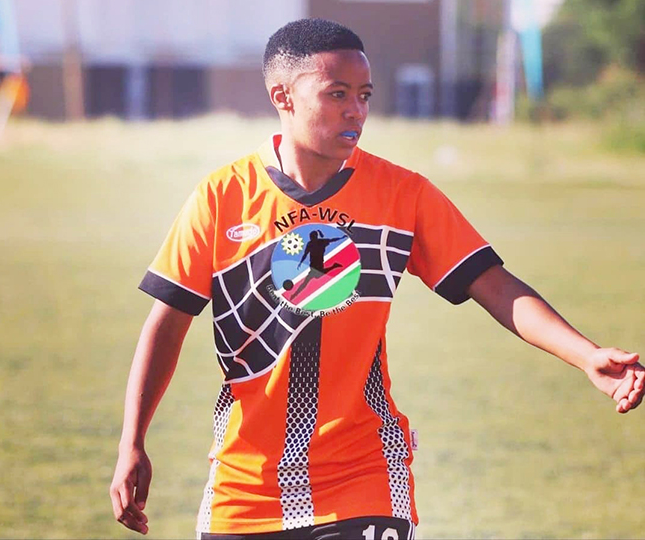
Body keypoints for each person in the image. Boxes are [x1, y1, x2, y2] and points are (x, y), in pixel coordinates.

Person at [110, 18, 644, 539]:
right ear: (282, 96)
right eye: (337, 94)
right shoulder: (221, 196)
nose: (356, 110)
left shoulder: (403, 195)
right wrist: (131, 439)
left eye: (364, 95)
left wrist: (586, 355)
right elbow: (167, 323)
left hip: (365, 476)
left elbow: (495, 286)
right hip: (245, 487)